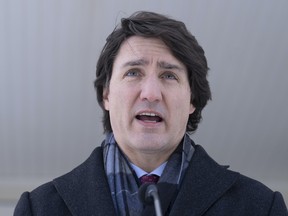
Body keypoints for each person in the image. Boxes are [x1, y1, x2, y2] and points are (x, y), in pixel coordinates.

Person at [14, 11, 287, 216]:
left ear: (192, 99)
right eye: (134, 72)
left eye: (169, 75)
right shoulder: (38, 208)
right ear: (106, 94)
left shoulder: (262, 206)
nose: (151, 93)